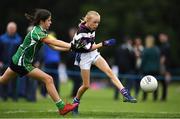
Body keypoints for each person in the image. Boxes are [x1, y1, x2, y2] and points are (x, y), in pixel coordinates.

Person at [0, 9, 78, 115]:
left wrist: (71, 48)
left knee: (2, 80)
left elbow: (54, 47)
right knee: (48, 79)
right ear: (42, 21)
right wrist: (71, 45)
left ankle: (62, 108)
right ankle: (62, 107)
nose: (51, 22)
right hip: (22, 62)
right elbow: (53, 41)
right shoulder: (37, 32)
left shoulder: (42, 32)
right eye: (49, 20)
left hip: (17, 60)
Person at [71, 11, 137, 115]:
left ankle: (125, 93)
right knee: (86, 85)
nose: (96, 25)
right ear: (87, 21)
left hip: (93, 53)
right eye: (95, 22)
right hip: (83, 57)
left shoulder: (91, 28)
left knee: (109, 72)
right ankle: (75, 102)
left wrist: (99, 45)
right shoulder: (81, 32)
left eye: (98, 22)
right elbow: (88, 48)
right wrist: (104, 43)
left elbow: (91, 46)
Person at [0, 21, 22, 101]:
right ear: (7, 29)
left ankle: (14, 98)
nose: (11, 30)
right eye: (10, 28)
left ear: (15, 29)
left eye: (13, 28)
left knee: (14, 82)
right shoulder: (2, 38)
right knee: (4, 80)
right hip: (4, 63)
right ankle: (4, 97)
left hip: (14, 64)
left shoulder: (19, 39)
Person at [140, 35, 160, 101]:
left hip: (147, 69)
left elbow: (143, 60)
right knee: (155, 83)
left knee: (145, 83)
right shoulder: (156, 49)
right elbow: (158, 60)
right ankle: (155, 98)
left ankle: (144, 98)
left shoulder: (146, 50)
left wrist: (141, 68)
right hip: (155, 69)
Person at [158, 33, 172, 101]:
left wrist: (161, 65)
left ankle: (164, 97)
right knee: (163, 83)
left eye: (161, 37)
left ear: (165, 37)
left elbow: (163, 57)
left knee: (165, 82)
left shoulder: (166, 46)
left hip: (165, 67)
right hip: (165, 66)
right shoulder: (164, 45)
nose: (160, 38)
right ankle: (163, 97)